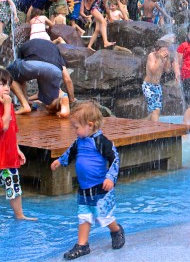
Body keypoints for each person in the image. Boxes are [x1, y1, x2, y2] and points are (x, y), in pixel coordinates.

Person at [50, 101, 125, 260]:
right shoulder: (79, 141)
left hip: (100, 187)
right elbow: (70, 153)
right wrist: (60, 161)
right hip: (84, 188)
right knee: (84, 215)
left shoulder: (101, 142)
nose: (74, 130)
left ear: (90, 125)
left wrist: (110, 177)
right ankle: (82, 245)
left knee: (103, 216)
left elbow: (114, 159)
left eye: (76, 127)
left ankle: (116, 230)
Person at [0, 67, 36, 222]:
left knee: (15, 189)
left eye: (8, 85)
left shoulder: (8, 106)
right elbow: (2, 126)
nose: (6, 88)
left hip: (9, 157)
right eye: (2, 84)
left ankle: (19, 215)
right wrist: (7, 106)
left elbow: (12, 129)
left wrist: (17, 149)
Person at [7, 38, 75, 116]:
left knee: (9, 75)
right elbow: (67, 79)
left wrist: (24, 100)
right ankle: (62, 98)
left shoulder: (25, 45)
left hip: (31, 65)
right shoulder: (54, 49)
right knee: (49, 104)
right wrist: (71, 99)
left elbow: (20, 78)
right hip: (54, 70)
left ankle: (25, 105)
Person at [143, 40, 172, 121]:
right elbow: (153, 71)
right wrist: (159, 59)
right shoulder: (151, 56)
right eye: (163, 51)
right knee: (156, 110)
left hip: (157, 87)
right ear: (156, 50)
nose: (165, 53)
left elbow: (168, 70)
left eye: (166, 50)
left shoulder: (164, 58)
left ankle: (143, 124)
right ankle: (155, 131)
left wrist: (168, 59)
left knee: (154, 112)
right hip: (148, 86)